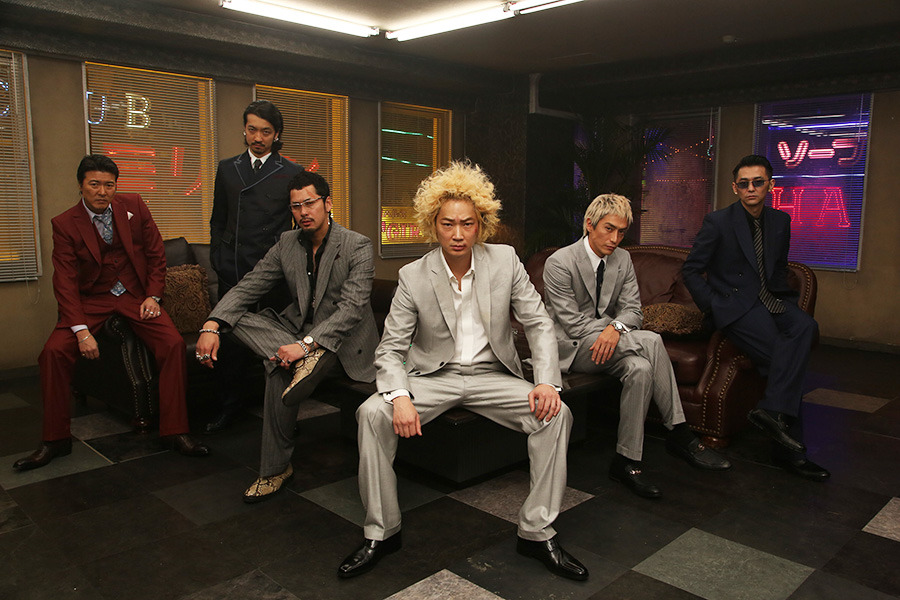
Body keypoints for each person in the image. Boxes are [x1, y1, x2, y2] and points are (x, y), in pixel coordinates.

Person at [338, 162, 588, 581]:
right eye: (448, 224)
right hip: (433, 378)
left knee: (556, 414)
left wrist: (547, 381)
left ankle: (537, 531)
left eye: (467, 224)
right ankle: (382, 531)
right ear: (432, 225)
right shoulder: (413, 276)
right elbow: (391, 348)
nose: (457, 234)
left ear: (481, 224)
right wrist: (399, 395)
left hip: (493, 376)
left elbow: (539, 322)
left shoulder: (505, 261)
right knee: (372, 413)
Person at [13, 155, 209, 472]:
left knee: (172, 344)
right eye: (95, 184)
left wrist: (153, 295)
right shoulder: (65, 224)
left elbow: (156, 254)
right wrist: (81, 332)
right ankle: (55, 439)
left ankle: (175, 432)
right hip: (92, 300)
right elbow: (65, 281)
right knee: (52, 353)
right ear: (81, 186)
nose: (102, 191)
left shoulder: (134, 206)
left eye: (109, 185)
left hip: (135, 296)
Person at [195, 170, 378, 502]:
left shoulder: (357, 245)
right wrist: (211, 325)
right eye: (296, 206)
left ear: (328, 203)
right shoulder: (287, 243)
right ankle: (300, 362)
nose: (303, 212)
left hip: (342, 344)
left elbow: (351, 310)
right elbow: (248, 287)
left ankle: (273, 470)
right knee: (234, 320)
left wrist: (305, 345)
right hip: (296, 334)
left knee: (277, 367)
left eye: (310, 203)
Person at [542, 193, 731, 499]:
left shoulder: (623, 259)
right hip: (572, 348)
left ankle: (626, 461)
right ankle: (680, 433)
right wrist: (611, 329)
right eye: (608, 229)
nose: (615, 239)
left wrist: (615, 329)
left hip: (609, 345)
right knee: (652, 340)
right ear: (589, 224)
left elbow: (633, 311)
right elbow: (572, 324)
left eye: (621, 232)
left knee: (641, 368)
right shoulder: (559, 262)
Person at [682, 155, 827, 481]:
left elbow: (778, 268)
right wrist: (714, 306)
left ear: (770, 185)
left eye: (758, 182)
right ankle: (791, 453)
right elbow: (691, 269)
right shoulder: (718, 222)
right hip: (735, 308)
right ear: (735, 188)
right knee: (784, 358)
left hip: (772, 301)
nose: (751, 188)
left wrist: (783, 301)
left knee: (806, 327)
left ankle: (770, 412)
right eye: (744, 183)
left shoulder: (781, 221)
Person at [205, 100, 305, 433]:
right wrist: (218, 257)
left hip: (273, 273)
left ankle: (281, 414)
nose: (257, 138)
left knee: (275, 344)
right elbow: (218, 219)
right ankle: (228, 408)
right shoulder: (227, 168)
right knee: (230, 346)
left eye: (265, 132)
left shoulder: (292, 172)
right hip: (233, 269)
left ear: (277, 134)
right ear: (244, 130)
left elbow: (301, 223)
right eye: (252, 130)